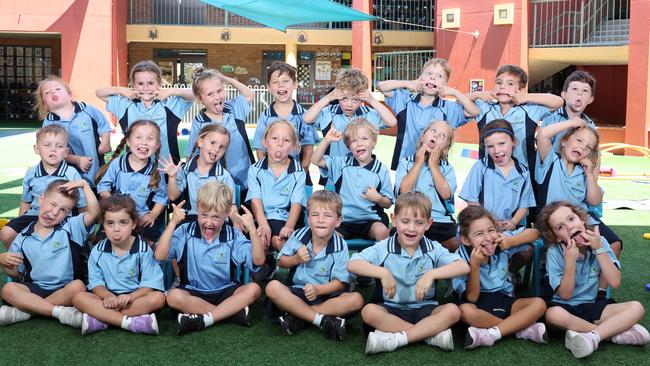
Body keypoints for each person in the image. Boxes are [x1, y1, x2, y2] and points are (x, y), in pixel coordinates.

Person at [348, 192, 470, 354]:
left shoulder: (433, 248)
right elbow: (353, 263)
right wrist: (383, 273)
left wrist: (431, 275)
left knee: (453, 311)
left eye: (419, 223)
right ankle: (429, 335)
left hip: (426, 309)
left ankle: (396, 339)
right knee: (369, 312)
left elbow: (463, 266)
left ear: (428, 224)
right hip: (390, 309)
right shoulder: (384, 247)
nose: (411, 228)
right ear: (394, 220)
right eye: (405, 221)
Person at [538, 201, 649, 358]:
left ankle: (591, 337)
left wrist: (599, 249)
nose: (569, 227)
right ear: (556, 237)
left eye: (571, 219)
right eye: (560, 227)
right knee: (552, 315)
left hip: (593, 305)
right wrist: (570, 261)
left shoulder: (600, 242)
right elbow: (565, 295)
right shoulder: (554, 253)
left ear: (582, 220)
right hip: (565, 307)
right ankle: (609, 334)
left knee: (637, 307)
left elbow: (615, 282)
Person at [154, 182, 265, 335]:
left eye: (215, 217)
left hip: (226, 291)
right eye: (204, 215)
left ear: (226, 214)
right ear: (197, 210)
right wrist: (173, 222)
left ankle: (204, 319)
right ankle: (229, 315)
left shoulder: (233, 235)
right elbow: (159, 255)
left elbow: (258, 261)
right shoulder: (186, 231)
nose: (208, 222)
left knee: (254, 289)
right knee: (173, 297)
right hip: (194, 291)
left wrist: (252, 229)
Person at [264, 190, 364, 340]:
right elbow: (282, 261)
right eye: (315, 215)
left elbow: (341, 283)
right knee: (272, 287)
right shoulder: (298, 236)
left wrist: (318, 290)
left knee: (357, 300)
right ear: (308, 218)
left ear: (338, 221)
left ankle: (298, 316)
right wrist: (296, 259)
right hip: (296, 293)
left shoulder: (340, 245)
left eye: (328, 216)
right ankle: (321, 320)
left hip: (325, 296)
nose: (320, 220)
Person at [0, 179, 99, 328]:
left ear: (68, 214)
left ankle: (27, 312)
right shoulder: (22, 237)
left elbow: (94, 212)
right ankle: (58, 312)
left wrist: (84, 185)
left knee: (78, 287)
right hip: (35, 289)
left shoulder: (72, 227)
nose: (54, 213)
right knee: (8, 290)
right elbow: (17, 275)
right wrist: (4, 263)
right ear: (41, 199)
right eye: (52, 204)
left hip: (65, 289)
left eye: (63, 210)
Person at [452, 205, 547, 349]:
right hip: (479, 304)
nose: (488, 238)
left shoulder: (502, 242)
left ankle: (492, 333)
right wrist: (475, 266)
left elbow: (534, 233)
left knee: (539, 304)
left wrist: (512, 241)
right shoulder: (457, 259)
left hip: (505, 300)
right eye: (479, 234)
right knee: (465, 312)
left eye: (491, 230)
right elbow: (472, 297)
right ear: (465, 240)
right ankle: (518, 328)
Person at [72, 195, 166, 335]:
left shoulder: (143, 250)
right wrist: (108, 296)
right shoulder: (98, 251)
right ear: (103, 225)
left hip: (134, 300)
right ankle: (131, 323)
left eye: (123, 223)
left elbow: (150, 286)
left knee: (159, 299)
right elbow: (96, 284)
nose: (116, 229)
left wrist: (131, 297)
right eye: (110, 223)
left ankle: (103, 319)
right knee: (78, 298)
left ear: (133, 224)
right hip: (107, 299)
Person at [459, 120, 537, 277]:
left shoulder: (523, 172)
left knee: (527, 251)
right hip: (482, 227)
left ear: (513, 142)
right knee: (467, 245)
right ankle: (473, 281)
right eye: (490, 146)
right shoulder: (481, 167)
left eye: (501, 143)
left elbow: (525, 204)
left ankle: (508, 275)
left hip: (508, 228)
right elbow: (471, 202)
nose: (496, 151)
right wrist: (489, 223)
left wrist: (514, 222)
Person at [536, 118, 622, 258]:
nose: (582, 147)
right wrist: (572, 122)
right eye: (579, 140)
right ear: (564, 141)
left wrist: (589, 174)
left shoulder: (583, 172)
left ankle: (599, 280)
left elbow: (594, 201)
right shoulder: (550, 161)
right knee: (575, 249)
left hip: (581, 220)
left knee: (614, 245)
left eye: (588, 147)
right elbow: (543, 134)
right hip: (556, 223)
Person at [377, 58, 479, 169]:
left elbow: (474, 111)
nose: (433, 77)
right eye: (428, 73)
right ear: (421, 78)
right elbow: (381, 87)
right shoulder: (406, 100)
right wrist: (408, 83)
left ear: (445, 84)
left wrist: (454, 92)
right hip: (403, 167)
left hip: (434, 172)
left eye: (439, 76)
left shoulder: (448, 108)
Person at [0, 125, 87, 248]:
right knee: (6, 233)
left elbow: (82, 205)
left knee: (55, 243)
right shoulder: (31, 173)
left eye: (59, 146)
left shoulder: (71, 173)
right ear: (37, 149)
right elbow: (26, 201)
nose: (53, 149)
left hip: (62, 218)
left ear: (66, 152)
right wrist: (20, 221)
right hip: (35, 215)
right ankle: (22, 262)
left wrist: (85, 228)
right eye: (47, 145)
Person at [468, 64, 564, 173]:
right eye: (499, 83)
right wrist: (476, 94)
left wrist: (526, 96)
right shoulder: (485, 108)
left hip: (523, 175)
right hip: (488, 174)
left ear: (520, 90)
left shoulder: (529, 110)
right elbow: (457, 105)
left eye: (510, 84)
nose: (502, 87)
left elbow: (558, 102)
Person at [96, 60, 194, 163]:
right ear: (133, 84)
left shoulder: (169, 106)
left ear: (159, 83)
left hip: (166, 170)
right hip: (135, 170)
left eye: (151, 83)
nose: (146, 88)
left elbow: (192, 95)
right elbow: (99, 93)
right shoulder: (126, 105)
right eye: (140, 83)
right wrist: (120, 90)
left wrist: (172, 90)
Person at [311, 119, 394, 241]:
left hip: (371, 220)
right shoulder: (341, 164)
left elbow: (388, 203)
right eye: (354, 141)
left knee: (383, 234)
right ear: (348, 147)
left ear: (374, 141)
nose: (359, 143)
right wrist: (327, 140)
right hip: (344, 221)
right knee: (327, 239)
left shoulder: (381, 170)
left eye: (364, 138)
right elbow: (315, 160)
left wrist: (378, 198)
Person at [304, 68, 396, 177]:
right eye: (344, 98)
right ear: (337, 96)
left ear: (362, 99)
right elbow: (307, 118)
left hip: (361, 172)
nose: (349, 104)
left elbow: (392, 122)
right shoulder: (329, 112)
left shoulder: (368, 114)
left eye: (355, 100)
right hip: (332, 172)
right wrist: (328, 97)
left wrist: (372, 100)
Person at [96, 120, 168, 242]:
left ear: (157, 145)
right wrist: (115, 207)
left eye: (150, 139)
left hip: (142, 220)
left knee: (149, 245)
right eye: (138, 137)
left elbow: (162, 197)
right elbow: (103, 187)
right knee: (105, 241)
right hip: (118, 218)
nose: (144, 142)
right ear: (128, 141)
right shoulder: (117, 164)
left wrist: (152, 215)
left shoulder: (156, 169)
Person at [184, 67, 255, 190]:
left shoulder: (233, 108)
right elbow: (192, 154)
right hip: (217, 184)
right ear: (200, 99)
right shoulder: (199, 122)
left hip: (245, 179)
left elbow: (250, 94)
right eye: (210, 94)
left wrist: (225, 79)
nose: (217, 97)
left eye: (219, 91)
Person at [247, 120, 306, 261]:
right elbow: (256, 200)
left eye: (286, 140)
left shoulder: (298, 172)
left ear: (293, 146)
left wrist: (289, 226)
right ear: (265, 142)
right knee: (260, 240)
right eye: (274, 138)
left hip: (286, 219)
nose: (280, 144)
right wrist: (262, 224)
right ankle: (263, 267)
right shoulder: (255, 170)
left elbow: (296, 204)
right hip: (262, 217)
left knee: (284, 242)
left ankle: (289, 272)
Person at [395, 120, 458, 250]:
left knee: (454, 245)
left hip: (439, 221)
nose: (435, 136)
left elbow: (446, 194)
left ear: (446, 147)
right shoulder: (406, 163)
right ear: (423, 136)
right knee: (399, 243)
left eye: (442, 136)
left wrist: (434, 166)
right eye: (433, 131)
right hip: (411, 219)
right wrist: (418, 164)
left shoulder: (447, 169)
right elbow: (403, 191)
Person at [37, 75, 112, 185]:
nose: (52, 92)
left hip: (97, 168)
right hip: (69, 173)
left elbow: (103, 125)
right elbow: (51, 150)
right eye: (47, 93)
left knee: (99, 194)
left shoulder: (87, 109)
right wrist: (76, 160)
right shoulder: (48, 123)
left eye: (57, 89)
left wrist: (106, 141)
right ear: (45, 104)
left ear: (70, 95)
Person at [253, 61, 318, 185]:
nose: (280, 86)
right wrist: (268, 174)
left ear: (295, 84)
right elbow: (260, 149)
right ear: (268, 87)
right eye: (275, 82)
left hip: (299, 175)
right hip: (273, 177)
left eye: (286, 81)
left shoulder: (304, 115)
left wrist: (301, 173)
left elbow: (309, 148)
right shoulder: (265, 116)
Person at [161, 124, 238, 227]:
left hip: (215, 223)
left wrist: (236, 219)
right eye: (212, 143)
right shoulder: (185, 171)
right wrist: (172, 177)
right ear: (200, 142)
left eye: (222, 147)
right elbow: (172, 196)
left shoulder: (225, 176)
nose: (216, 149)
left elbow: (231, 206)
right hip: (189, 222)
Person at [541, 70, 597, 151]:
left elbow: (594, 154)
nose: (580, 93)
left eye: (585, 90)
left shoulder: (590, 125)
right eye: (575, 89)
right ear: (564, 95)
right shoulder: (551, 118)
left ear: (590, 99)